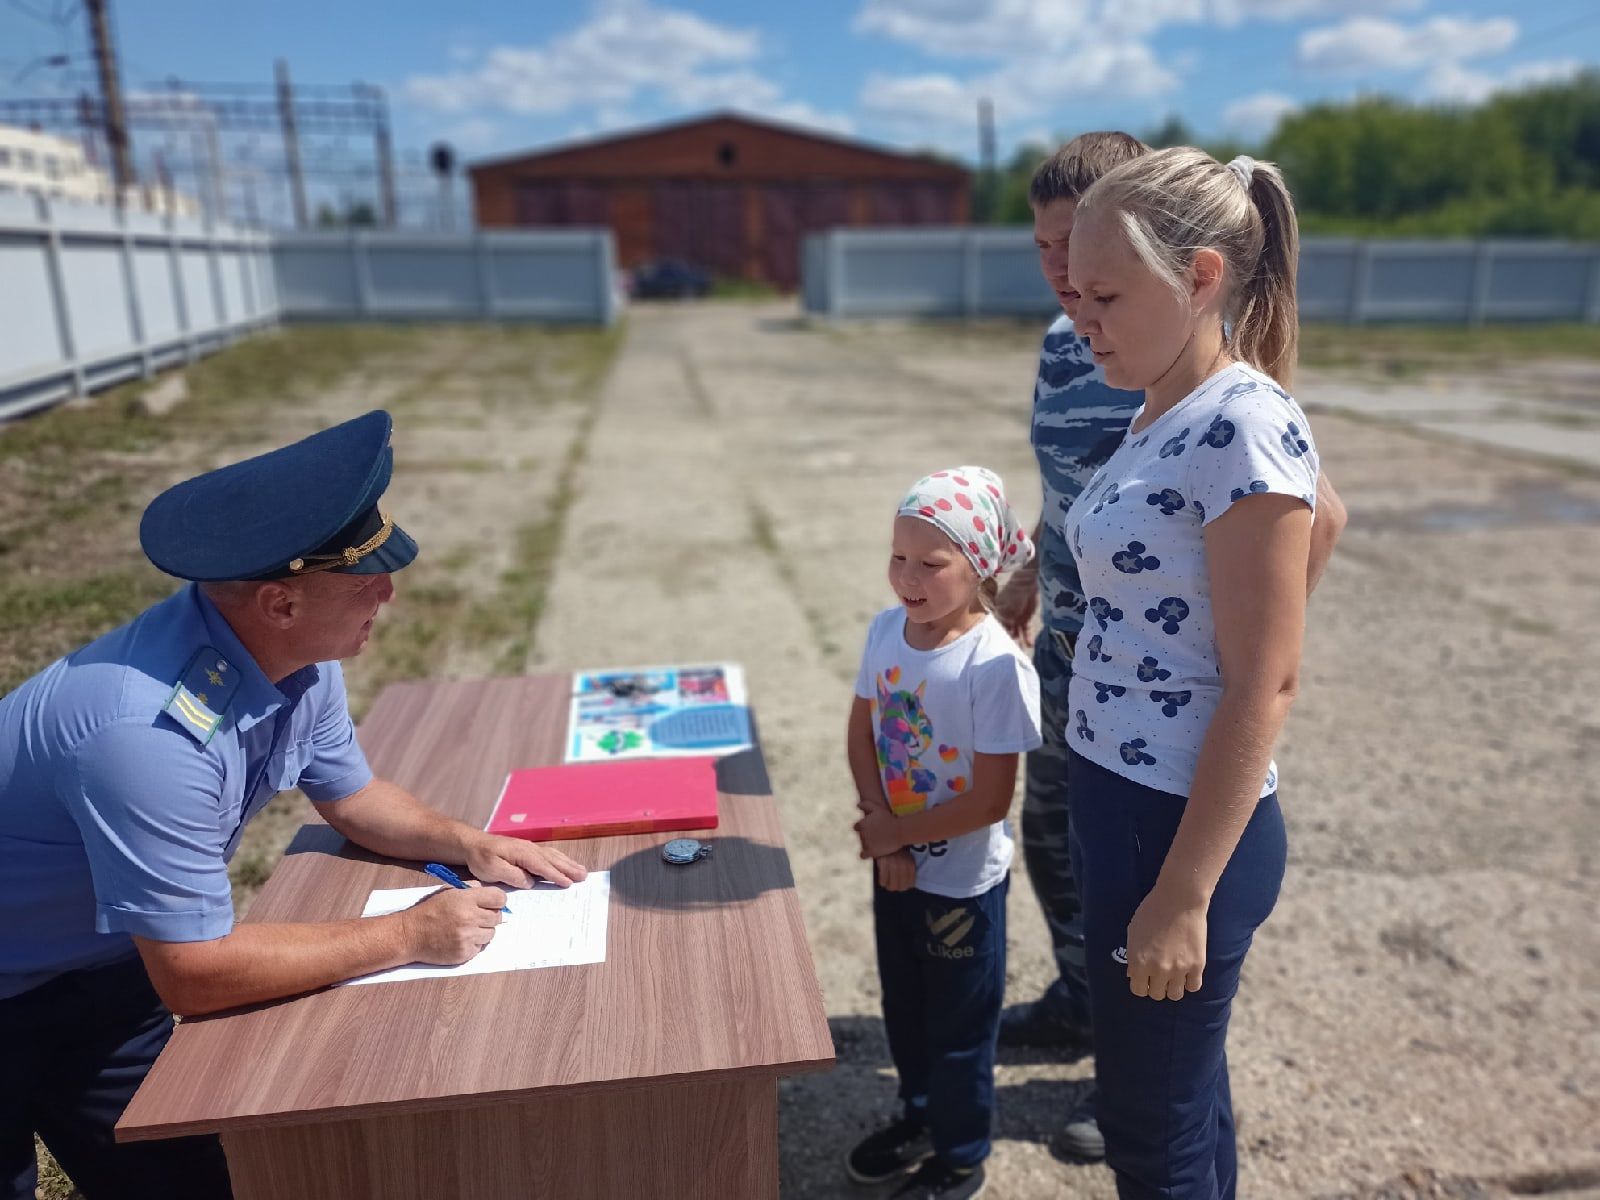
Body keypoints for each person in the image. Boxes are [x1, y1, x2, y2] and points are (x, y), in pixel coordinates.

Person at [0, 410, 588, 1200]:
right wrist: (410, 933)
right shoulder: (144, 736)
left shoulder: (296, 657)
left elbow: (353, 798)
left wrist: (462, 841)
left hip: (100, 969)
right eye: (363, 581)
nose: (388, 590)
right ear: (280, 604)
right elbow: (194, 973)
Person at [995, 132, 1348, 1163]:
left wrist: (1185, 893)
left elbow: (1265, 678)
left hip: (1174, 813)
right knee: (1180, 1105)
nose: (1079, 312)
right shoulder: (1160, 404)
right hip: (1120, 784)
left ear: (1197, 280)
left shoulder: (1239, 422)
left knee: (1149, 1130)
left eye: (1104, 294)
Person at [845, 467, 1043, 1200]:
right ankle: (919, 1112)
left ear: (980, 565)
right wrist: (887, 837)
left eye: (932, 563)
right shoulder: (884, 631)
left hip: (961, 883)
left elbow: (990, 800)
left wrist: (895, 833)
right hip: (895, 862)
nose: (908, 577)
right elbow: (861, 732)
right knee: (905, 1004)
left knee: (960, 1029)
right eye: (898, 556)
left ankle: (961, 1154)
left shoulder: (993, 665)